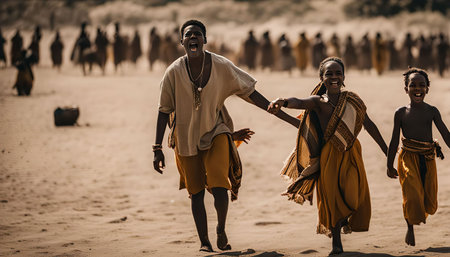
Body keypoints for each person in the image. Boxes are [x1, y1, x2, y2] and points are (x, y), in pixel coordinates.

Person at [153, 20, 299, 253]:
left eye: (198, 34)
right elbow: (163, 111)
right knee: (196, 192)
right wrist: (156, 148)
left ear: (205, 40)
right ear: (182, 42)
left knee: (220, 184)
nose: (193, 37)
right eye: (188, 34)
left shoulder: (221, 66)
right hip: (185, 138)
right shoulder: (173, 72)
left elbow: (251, 94)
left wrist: (292, 121)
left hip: (217, 132)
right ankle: (204, 242)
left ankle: (220, 228)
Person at [268, 57, 387, 255]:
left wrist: (387, 151)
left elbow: (369, 125)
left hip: (351, 152)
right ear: (321, 78)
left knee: (353, 195)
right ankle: (336, 244)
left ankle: (343, 222)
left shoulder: (353, 100)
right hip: (329, 156)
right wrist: (283, 101)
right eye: (329, 74)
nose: (334, 77)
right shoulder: (318, 102)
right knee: (331, 198)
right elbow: (300, 102)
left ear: (344, 77)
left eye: (338, 73)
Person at [386, 67, 450, 246]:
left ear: (428, 88)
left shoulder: (432, 111)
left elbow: (445, 134)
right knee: (411, 193)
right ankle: (410, 227)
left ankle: (416, 217)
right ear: (406, 89)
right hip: (407, 158)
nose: (417, 88)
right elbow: (393, 141)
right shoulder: (400, 113)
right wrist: (389, 165)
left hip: (428, 158)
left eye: (422, 85)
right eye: (412, 85)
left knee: (430, 202)